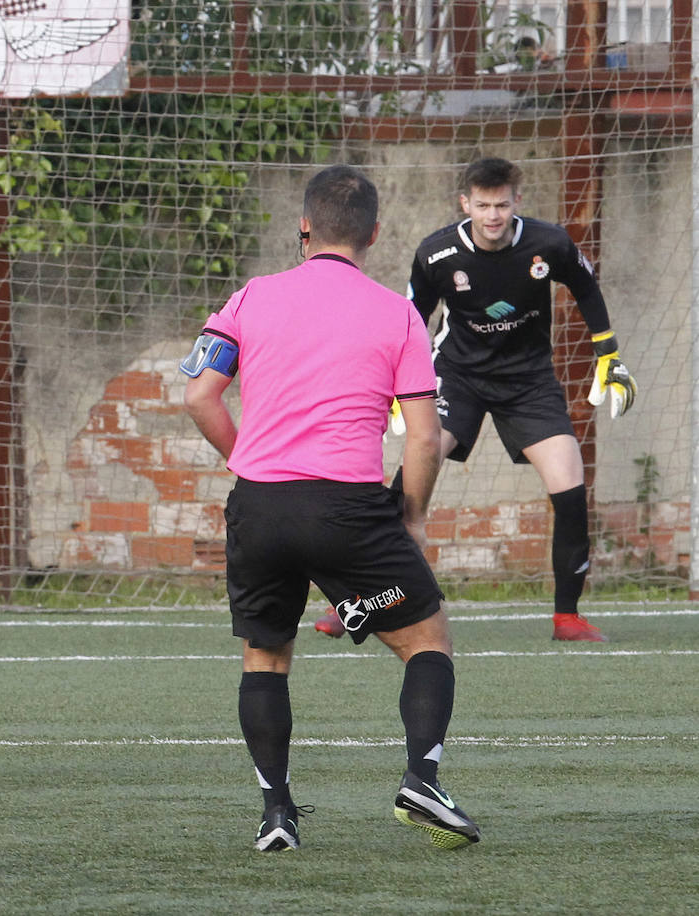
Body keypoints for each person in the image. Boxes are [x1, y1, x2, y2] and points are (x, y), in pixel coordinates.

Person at [182, 164, 481, 852]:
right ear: (375, 234)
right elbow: (425, 437)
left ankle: (277, 813)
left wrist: (246, 462)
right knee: (426, 640)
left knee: (266, 657)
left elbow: (198, 397)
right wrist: (409, 513)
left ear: (304, 228)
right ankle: (421, 778)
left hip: (258, 508)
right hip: (348, 510)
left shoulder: (250, 297)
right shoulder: (397, 312)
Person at [314, 157, 638, 643]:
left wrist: (608, 353)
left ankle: (566, 618)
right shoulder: (437, 253)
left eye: (501, 205)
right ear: (465, 203)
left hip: (528, 381)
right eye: (482, 205)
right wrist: (395, 386)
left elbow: (586, 287)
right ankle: (356, 603)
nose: (492, 215)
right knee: (413, 478)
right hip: (457, 377)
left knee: (570, 485)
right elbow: (410, 319)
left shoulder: (547, 243)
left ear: (517, 202)